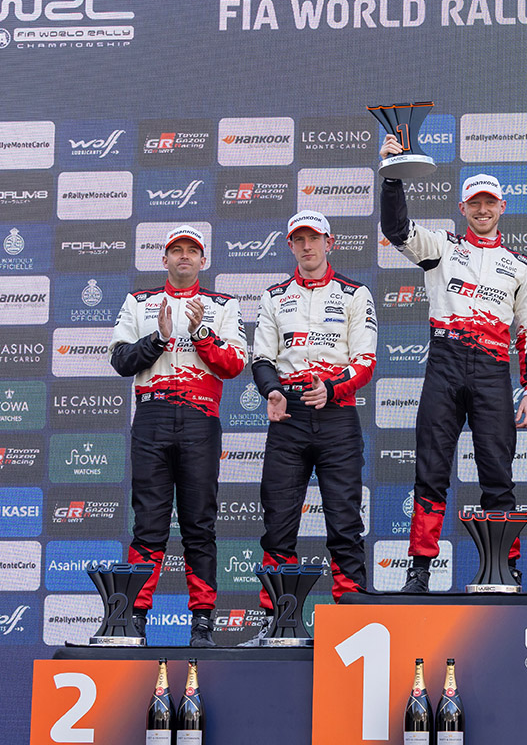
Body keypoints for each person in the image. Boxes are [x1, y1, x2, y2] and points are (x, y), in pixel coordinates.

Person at [379, 135, 527, 592]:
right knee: (431, 470)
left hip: (492, 370)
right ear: (463, 207)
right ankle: (419, 569)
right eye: (475, 203)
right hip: (445, 365)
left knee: (497, 474)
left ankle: (503, 569)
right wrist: (391, 176)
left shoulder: (520, 265)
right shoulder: (441, 247)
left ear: (502, 207)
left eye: (490, 203)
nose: (482, 210)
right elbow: (396, 229)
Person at [109, 224, 246, 647]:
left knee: (198, 525)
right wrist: (159, 338)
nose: (184, 256)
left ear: (203, 260)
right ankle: (135, 620)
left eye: (192, 250)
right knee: (148, 525)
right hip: (151, 416)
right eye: (176, 250)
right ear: (164, 258)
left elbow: (235, 364)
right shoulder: (139, 302)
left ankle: (202, 622)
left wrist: (202, 334)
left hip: (200, 418)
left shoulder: (222, 305)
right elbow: (120, 360)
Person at [250, 210, 377, 630]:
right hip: (288, 415)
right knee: (278, 522)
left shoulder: (355, 294)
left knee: (344, 521)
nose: (307, 246)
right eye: (299, 240)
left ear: (329, 242)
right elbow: (262, 358)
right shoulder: (273, 296)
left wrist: (332, 388)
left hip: (337, 416)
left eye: (314, 238)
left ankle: (351, 619)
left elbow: (365, 360)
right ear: (290, 245)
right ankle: (277, 622)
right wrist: (271, 391)